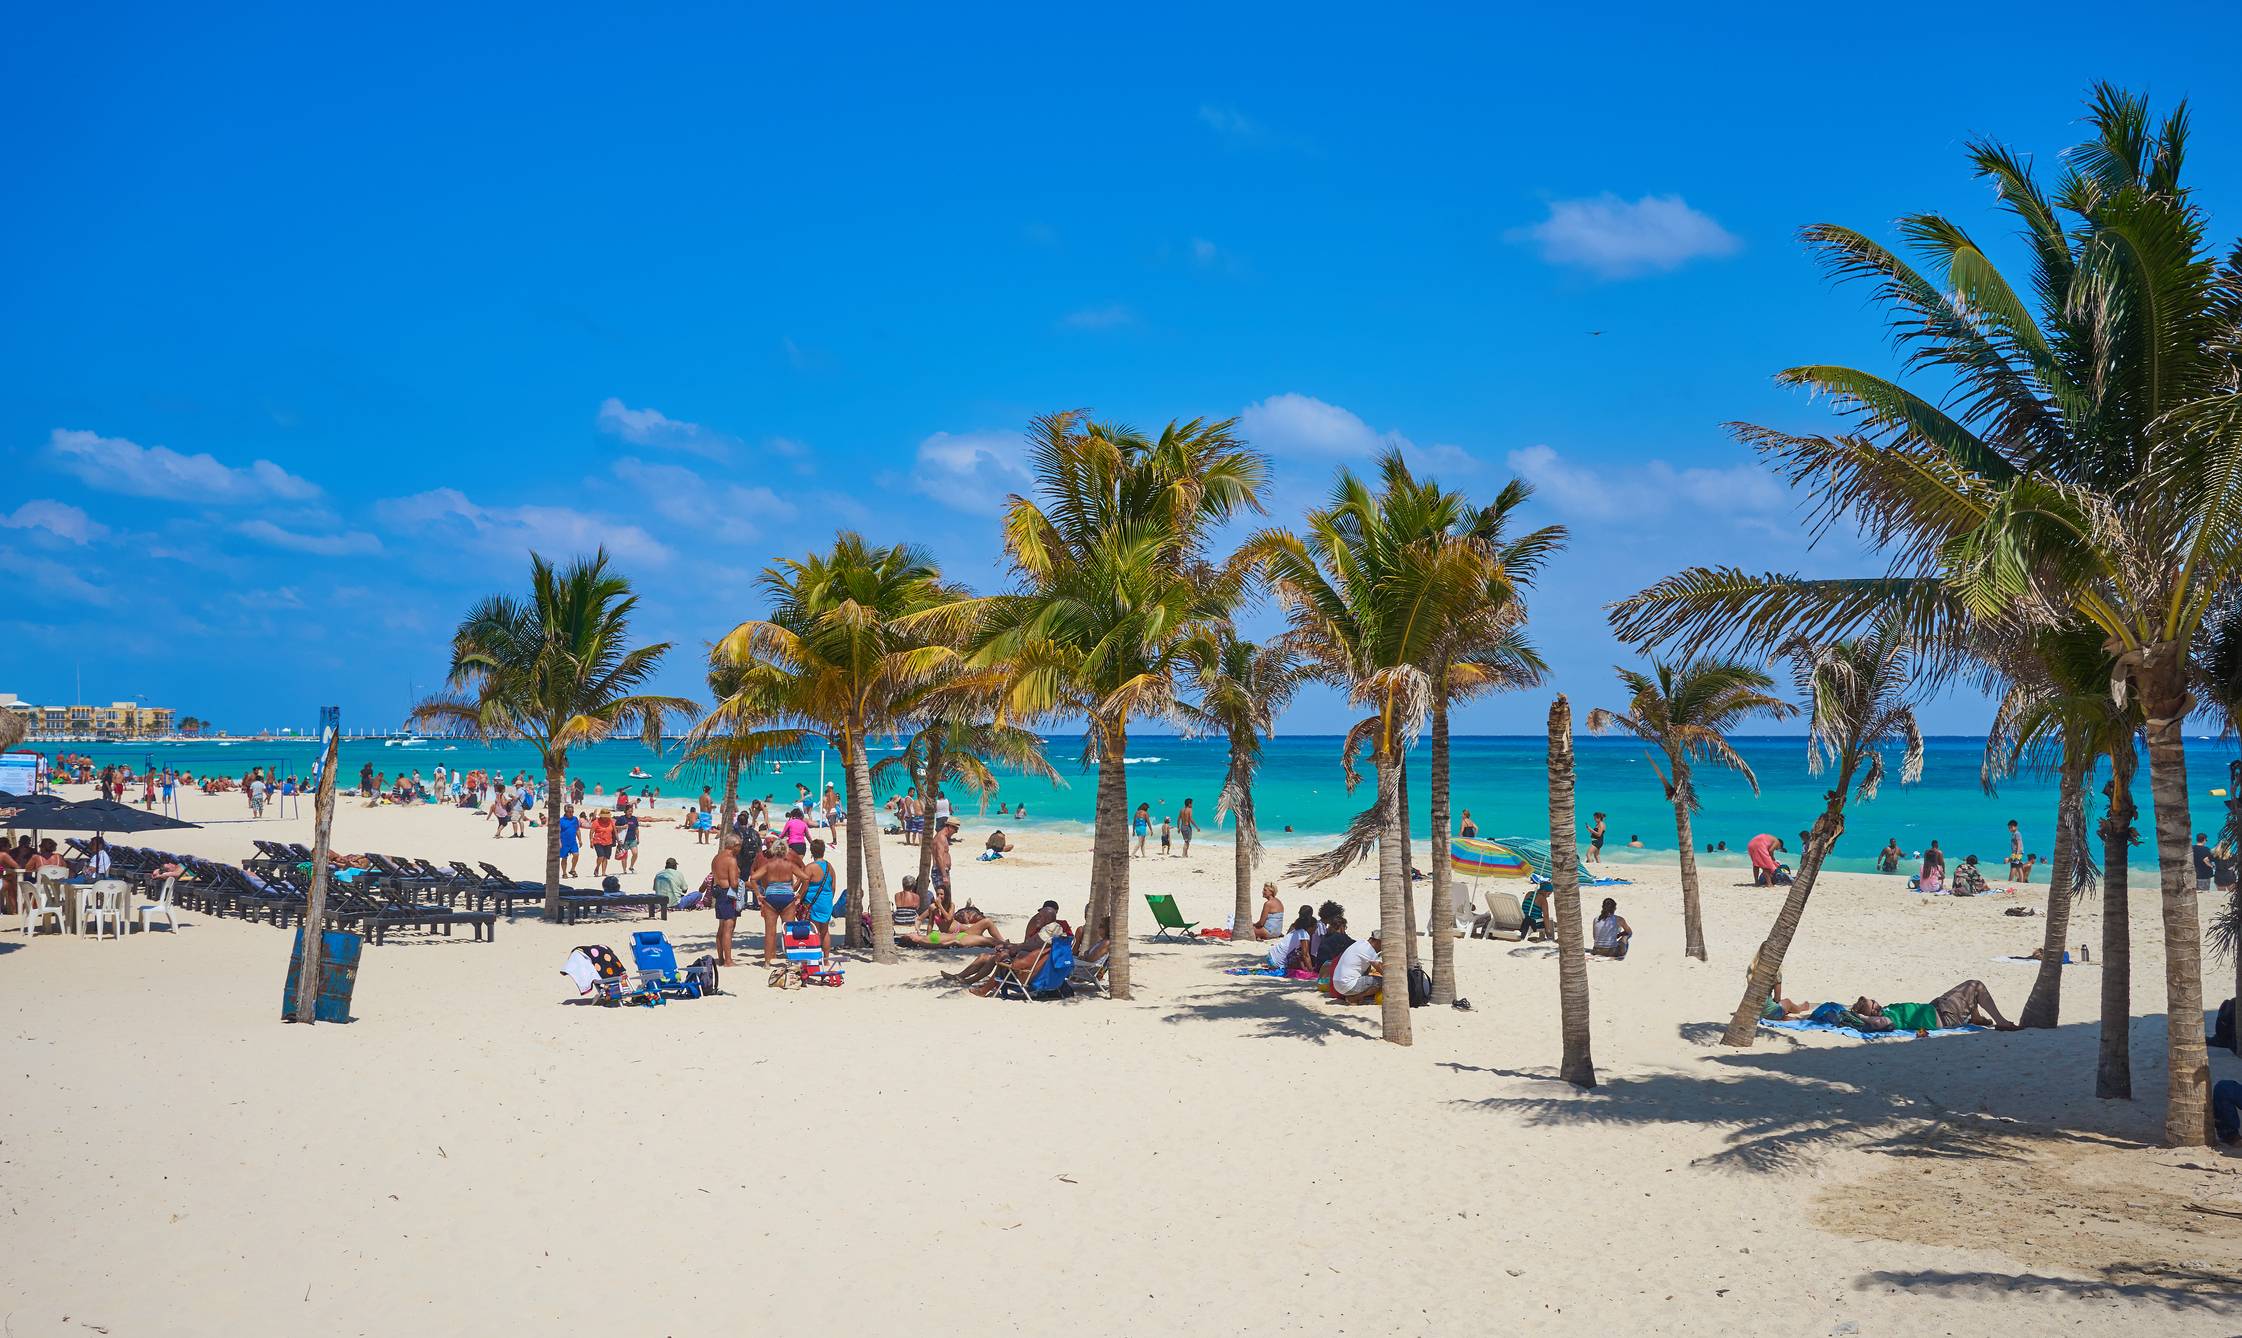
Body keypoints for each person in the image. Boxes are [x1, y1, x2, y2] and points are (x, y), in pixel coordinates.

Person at [943, 900, 1060, 985]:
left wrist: (1011, 948)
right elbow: (1029, 944)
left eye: (1040, 916)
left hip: (1028, 966)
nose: (1037, 918)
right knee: (985, 956)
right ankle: (960, 976)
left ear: (1048, 918)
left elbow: (1032, 948)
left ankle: (972, 982)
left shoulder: (1048, 931)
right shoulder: (1054, 930)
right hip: (1030, 961)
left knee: (994, 958)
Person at [1855, 980, 2020, 1033]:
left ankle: (1976, 1018)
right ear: (1873, 1013)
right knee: (1976, 986)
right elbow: (1879, 1023)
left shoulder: (1886, 1010)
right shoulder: (1885, 1018)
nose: (1877, 1004)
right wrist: (1864, 1018)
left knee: (1966, 989)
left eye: (1874, 1001)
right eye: (1874, 1006)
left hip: (1936, 1006)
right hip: (1945, 1016)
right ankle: (2002, 1022)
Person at [752, 840, 810, 967]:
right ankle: (791, 961)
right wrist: (800, 894)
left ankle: (767, 962)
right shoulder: (790, 865)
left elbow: (753, 878)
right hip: (787, 898)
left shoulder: (768, 865)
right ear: (785, 851)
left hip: (771, 897)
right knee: (789, 931)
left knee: (770, 931)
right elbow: (806, 878)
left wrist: (758, 894)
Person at [709, 837, 744, 967]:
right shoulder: (731, 860)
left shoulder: (716, 858)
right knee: (728, 928)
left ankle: (721, 958)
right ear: (734, 846)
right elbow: (734, 883)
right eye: (739, 846)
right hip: (727, 893)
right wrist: (743, 882)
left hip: (719, 892)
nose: (740, 849)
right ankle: (728, 960)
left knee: (721, 927)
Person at [799, 838, 838, 951]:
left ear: (811, 852)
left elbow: (804, 888)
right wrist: (828, 899)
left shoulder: (809, 868)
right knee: (825, 931)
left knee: (813, 930)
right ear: (823, 851)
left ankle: (814, 958)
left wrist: (798, 899)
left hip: (812, 903)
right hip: (826, 902)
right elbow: (833, 887)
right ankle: (825, 959)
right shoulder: (830, 867)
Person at [1328, 927, 1383, 1004]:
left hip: (1337, 984)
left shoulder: (1360, 943)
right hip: (1346, 986)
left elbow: (1367, 968)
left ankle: (1356, 996)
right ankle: (1355, 998)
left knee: (1367, 972)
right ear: (1378, 941)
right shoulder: (1369, 950)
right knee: (1381, 981)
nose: (1381, 948)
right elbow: (1382, 970)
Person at [1268, 904, 1319, 976]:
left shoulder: (1295, 929)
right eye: (1315, 927)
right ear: (1310, 927)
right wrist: (1311, 972)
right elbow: (1305, 955)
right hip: (1276, 963)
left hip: (1270, 956)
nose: (1316, 929)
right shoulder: (1304, 935)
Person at [589, 809, 617, 877]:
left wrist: (618, 840)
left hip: (608, 841)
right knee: (601, 856)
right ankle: (597, 867)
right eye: (604, 816)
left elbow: (615, 831)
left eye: (606, 816)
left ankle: (603, 872)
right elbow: (591, 832)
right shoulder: (596, 822)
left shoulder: (611, 821)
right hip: (598, 841)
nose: (605, 817)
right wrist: (591, 841)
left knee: (606, 857)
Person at [557, 804, 582, 878]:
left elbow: (577, 829)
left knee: (576, 855)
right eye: (570, 812)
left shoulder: (575, 819)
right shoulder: (561, 820)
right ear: (566, 812)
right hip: (564, 842)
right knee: (564, 858)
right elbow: (558, 832)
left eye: (572, 812)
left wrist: (580, 840)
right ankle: (564, 873)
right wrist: (559, 842)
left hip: (573, 842)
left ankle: (572, 869)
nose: (571, 813)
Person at [617, 806, 641, 873]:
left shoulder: (634, 818)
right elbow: (615, 827)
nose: (631, 812)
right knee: (625, 856)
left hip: (633, 839)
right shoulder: (621, 818)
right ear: (626, 811)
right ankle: (624, 870)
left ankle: (631, 866)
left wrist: (638, 838)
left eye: (631, 811)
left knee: (635, 853)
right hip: (624, 840)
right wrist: (622, 827)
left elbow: (636, 829)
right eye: (629, 811)